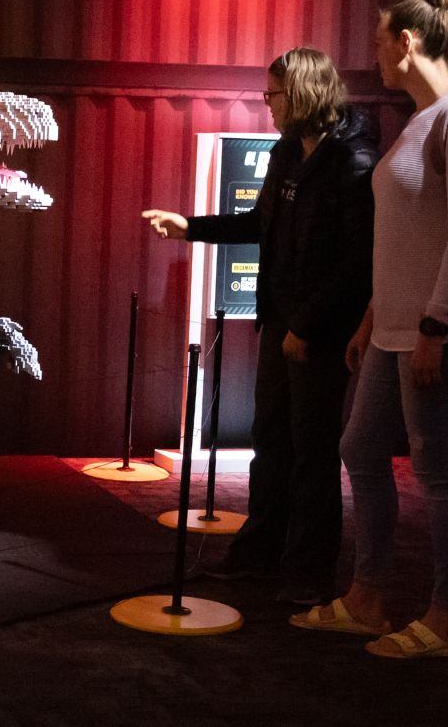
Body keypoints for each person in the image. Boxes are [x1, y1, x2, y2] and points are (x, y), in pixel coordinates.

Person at [289, 0, 448, 658]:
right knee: (358, 447)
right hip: (392, 328)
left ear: (408, 41)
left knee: (438, 470)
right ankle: (370, 595)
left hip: (438, 329)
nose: (374, 55)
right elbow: (408, 233)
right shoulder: (419, 124)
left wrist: (436, 328)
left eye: (379, 43)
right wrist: (372, 316)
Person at [143, 47, 377, 605]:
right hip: (280, 323)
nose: (266, 104)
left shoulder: (352, 158)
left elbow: (356, 262)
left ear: (301, 93)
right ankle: (259, 555)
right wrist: (189, 227)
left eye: (272, 94)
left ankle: (309, 570)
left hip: (318, 331)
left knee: (313, 450)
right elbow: (258, 223)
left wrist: (309, 325)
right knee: (270, 442)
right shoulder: (287, 153)